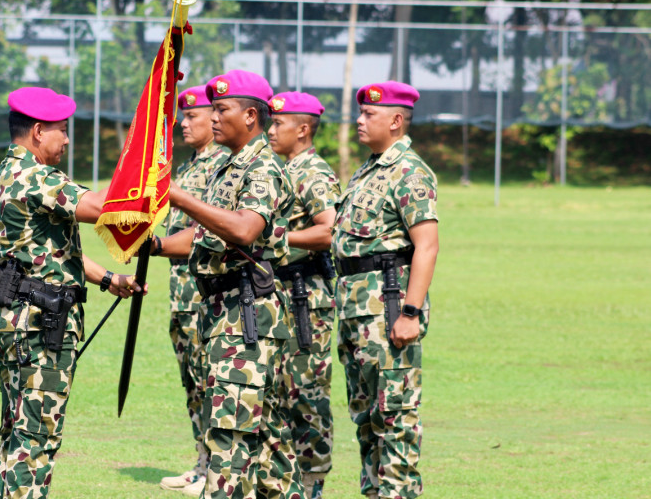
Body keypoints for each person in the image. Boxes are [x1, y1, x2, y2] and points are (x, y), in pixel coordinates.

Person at [0, 86, 143, 499]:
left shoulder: (5, 173)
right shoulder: (36, 176)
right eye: (62, 131)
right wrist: (143, 172)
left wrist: (108, 279)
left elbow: (50, 252)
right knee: (36, 441)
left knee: (19, 432)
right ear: (38, 131)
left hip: (16, 316)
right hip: (40, 324)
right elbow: (106, 208)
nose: (67, 140)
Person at [151, 70, 305, 499]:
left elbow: (243, 229)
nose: (212, 118)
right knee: (272, 448)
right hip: (225, 313)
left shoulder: (264, 167)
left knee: (231, 441)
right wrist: (156, 245)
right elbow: (206, 235)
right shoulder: (228, 167)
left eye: (222, 110)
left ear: (251, 115)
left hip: (247, 316)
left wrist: (178, 196)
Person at [331, 81, 439, 499]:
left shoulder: (410, 171)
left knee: (395, 418)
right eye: (360, 113)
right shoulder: (369, 169)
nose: (359, 120)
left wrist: (410, 313)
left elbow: (426, 244)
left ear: (395, 120)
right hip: (358, 315)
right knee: (367, 418)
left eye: (369, 115)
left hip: (388, 312)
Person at [266, 91, 340, 499]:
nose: (271, 130)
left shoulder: (311, 171)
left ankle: (312, 483)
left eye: (279, 124)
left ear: (304, 129)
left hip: (304, 297)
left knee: (307, 393)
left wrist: (273, 238)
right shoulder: (285, 168)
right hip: (282, 292)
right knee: (281, 390)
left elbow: (329, 230)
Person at [159, 85, 229, 496]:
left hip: (207, 294)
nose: (184, 123)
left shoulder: (221, 165)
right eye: (182, 117)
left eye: (193, 117)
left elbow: (205, 229)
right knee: (194, 383)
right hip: (182, 294)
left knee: (214, 381)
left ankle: (217, 468)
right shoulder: (190, 166)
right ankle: (202, 462)